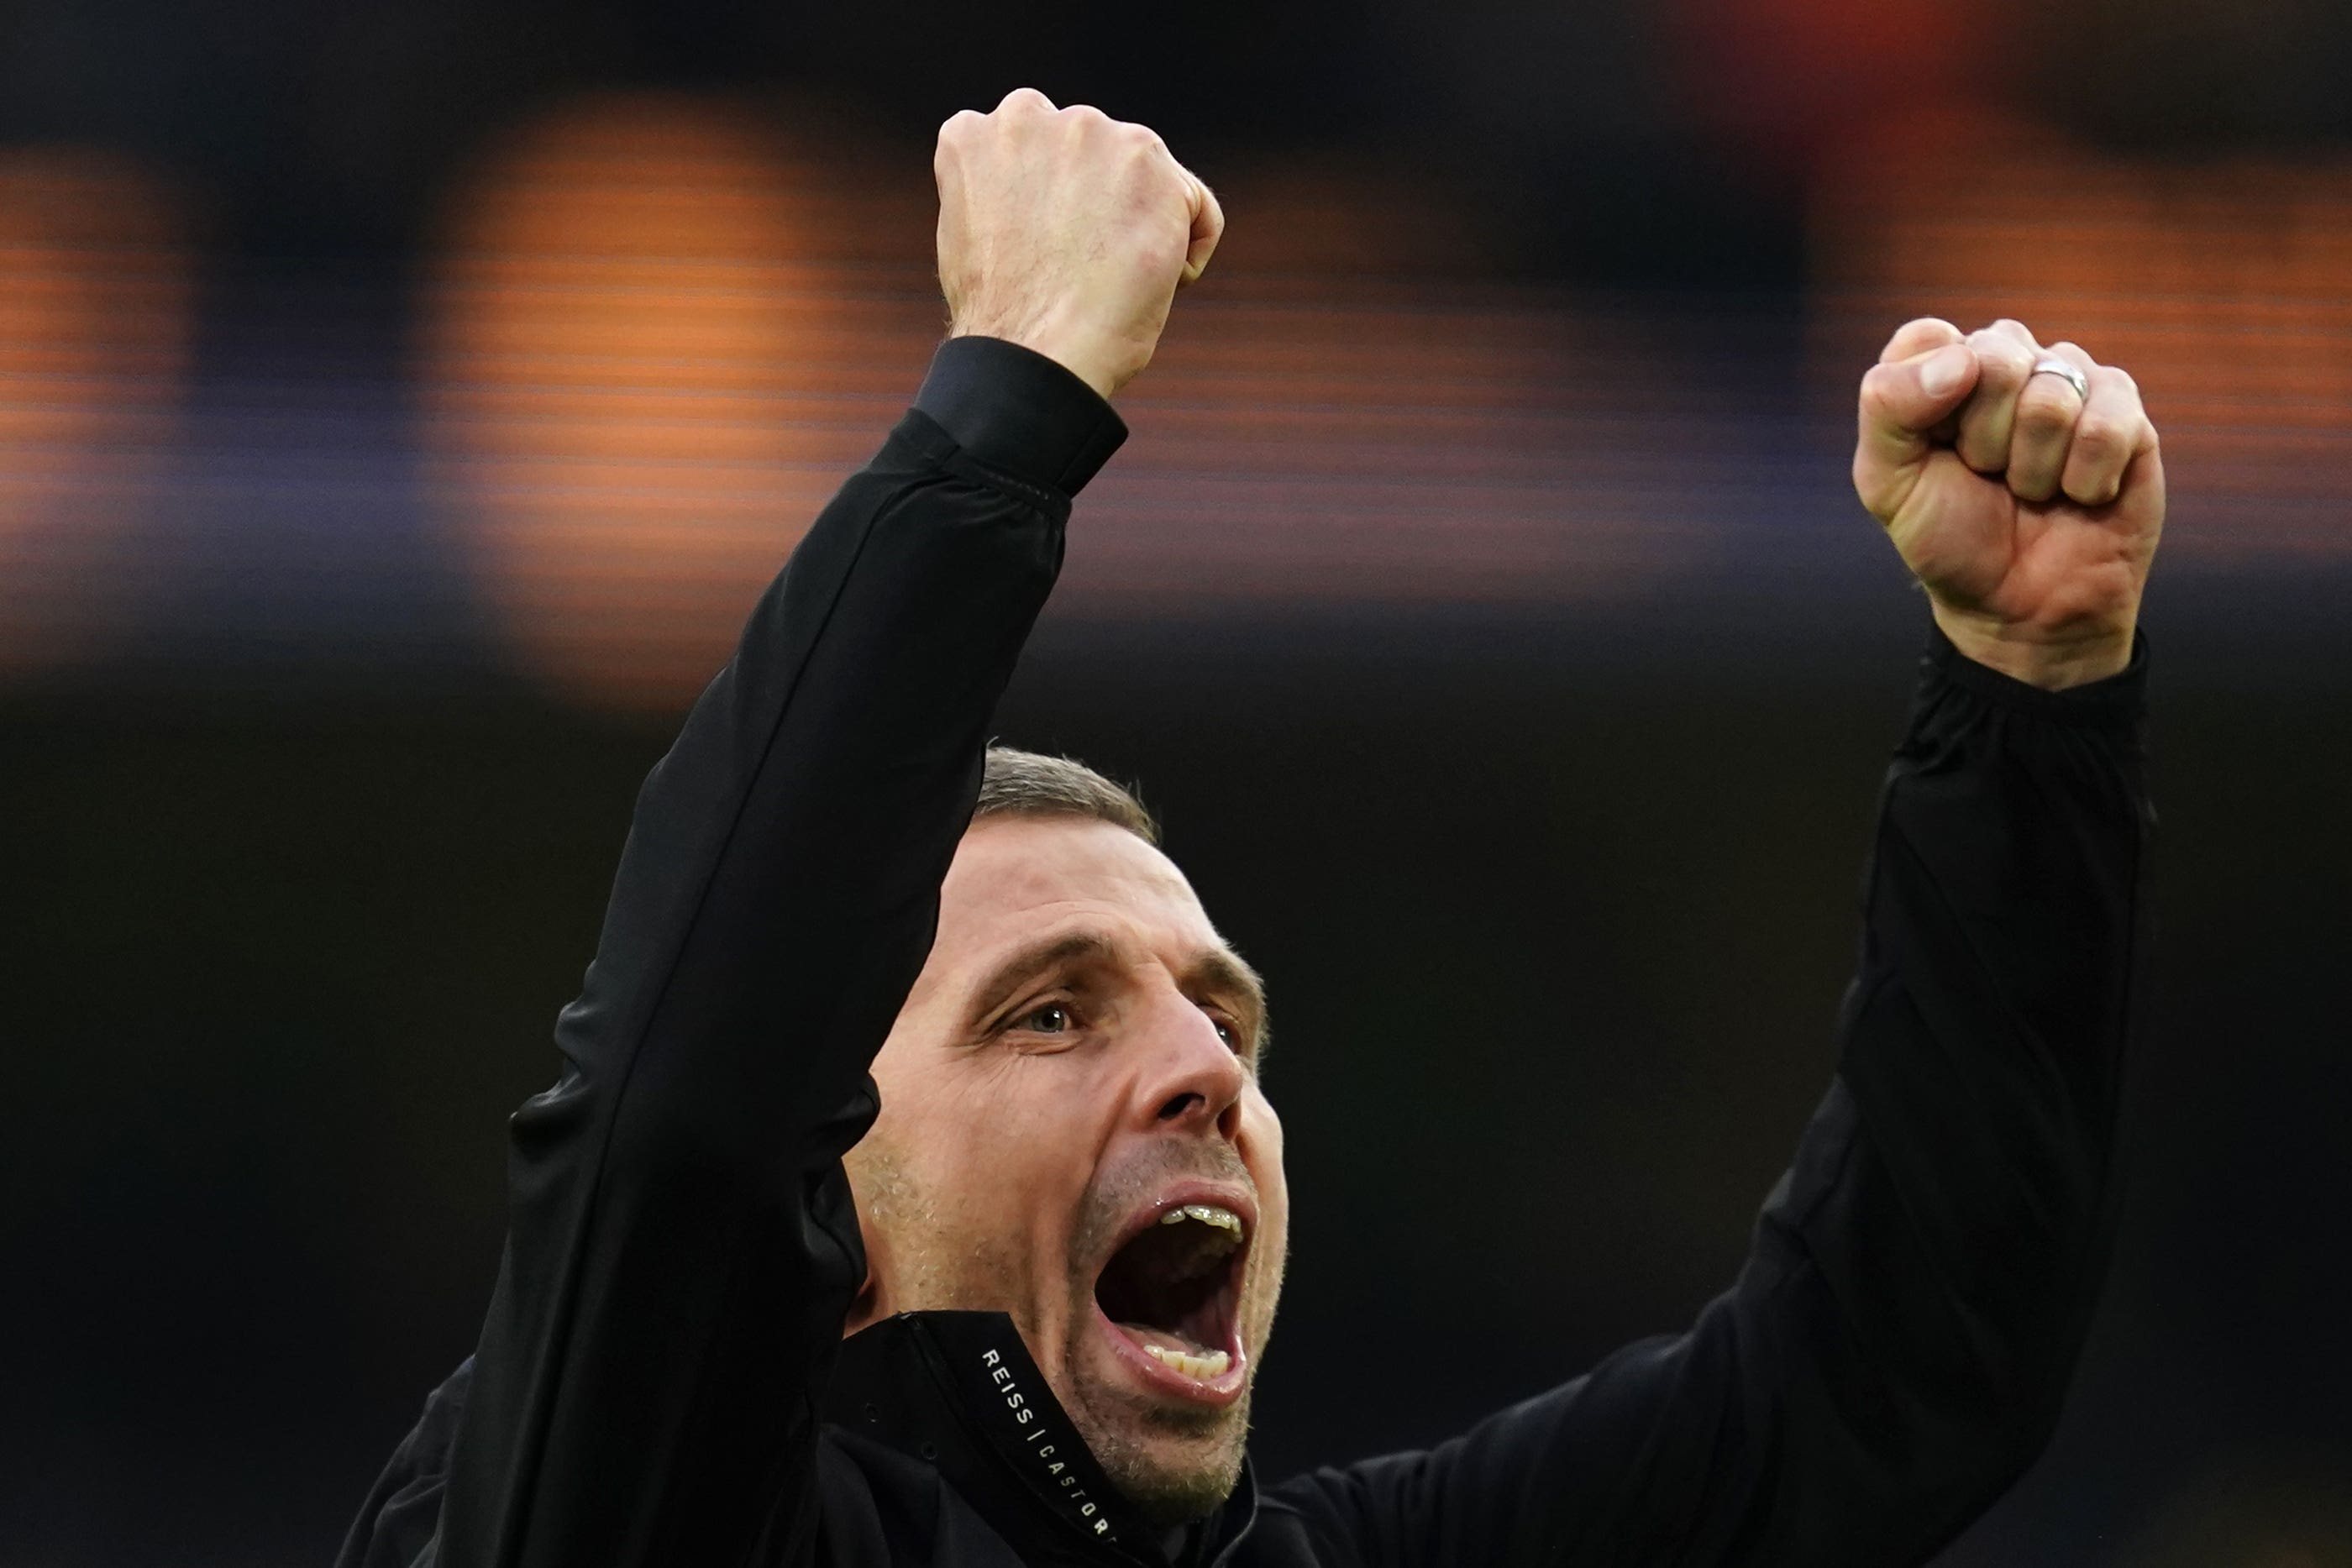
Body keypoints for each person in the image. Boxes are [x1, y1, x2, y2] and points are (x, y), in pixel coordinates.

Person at [338, 88, 2163, 1568]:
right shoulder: (607, 1510)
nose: (1202, 1068)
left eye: (1222, 1014)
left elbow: (1905, 1363)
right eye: (1049, 1010)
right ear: (827, 1197)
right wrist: (1007, 399)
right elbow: (676, 1120)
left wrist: (2023, 700)